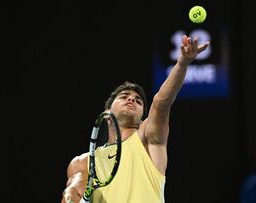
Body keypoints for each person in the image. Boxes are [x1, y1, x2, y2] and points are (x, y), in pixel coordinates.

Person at [61, 35, 210, 203]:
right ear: (107, 111)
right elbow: (72, 192)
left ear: (141, 118)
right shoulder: (83, 162)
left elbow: (161, 103)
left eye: (138, 100)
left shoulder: (148, 140)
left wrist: (182, 64)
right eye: (124, 96)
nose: (131, 99)